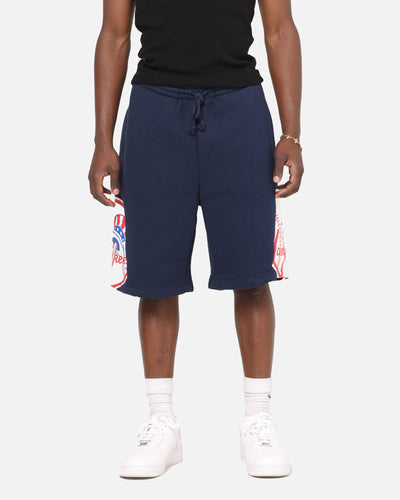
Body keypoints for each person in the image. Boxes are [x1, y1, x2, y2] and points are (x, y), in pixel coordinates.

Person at [88, 0, 304, 479]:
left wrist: (292, 135)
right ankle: (161, 421)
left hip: (239, 108)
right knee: (154, 279)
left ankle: (258, 418)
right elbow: (114, 35)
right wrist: (103, 140)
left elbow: (280, 30)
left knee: (252, 274)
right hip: (154, 109)